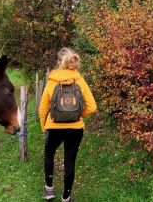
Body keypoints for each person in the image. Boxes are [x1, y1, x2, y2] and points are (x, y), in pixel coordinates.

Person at [39, 47, 97, 202]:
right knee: (70, 161)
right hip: (75, 128)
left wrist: (44, 126)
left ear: (59, 62)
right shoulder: (80, 80)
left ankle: (49, 190)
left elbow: (43, 108)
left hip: (54, 127)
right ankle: (66, 197)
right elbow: (92, 106)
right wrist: (78, 115)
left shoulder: (52, 81)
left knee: (49, 154)